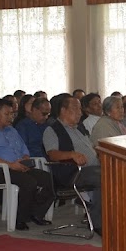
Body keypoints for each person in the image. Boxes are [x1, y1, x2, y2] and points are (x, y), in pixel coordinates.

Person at [0, 98, 55, 231]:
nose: (10, 117)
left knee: (48, 179)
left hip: (19, 166)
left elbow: (24, 149)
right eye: (6, 114)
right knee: (29, 182)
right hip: (0, 171)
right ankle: (20, 219)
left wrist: (25, 159)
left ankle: (36, 213)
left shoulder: (12, 131)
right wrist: (10, 165)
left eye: (12, 113)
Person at [43, 94, 103, 234]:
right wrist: (71, 154)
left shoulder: (79, 128)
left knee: (116, 174)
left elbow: (91, 148)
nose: (80, 113)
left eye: (80, 109)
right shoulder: (52, 130)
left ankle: (107, 215)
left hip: (92, 169)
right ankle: (98, 223)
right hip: (71, 172)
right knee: (103, 178)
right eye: (75, 109)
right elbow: (52, 154)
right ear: (63, 110)